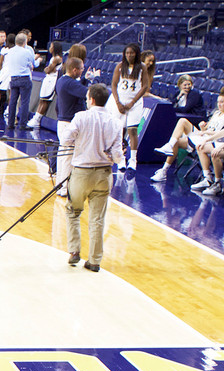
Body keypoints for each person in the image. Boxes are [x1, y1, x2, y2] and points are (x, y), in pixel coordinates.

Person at [63, 83, 125, 272]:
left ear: (91, 99)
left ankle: (74, 251)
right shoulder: (115, 122)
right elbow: (117, 155)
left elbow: (65, 139)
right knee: (97, 219)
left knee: (73, 211)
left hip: (81, 172)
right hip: (104, 174)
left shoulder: (81, 117)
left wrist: (80, 143)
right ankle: (94, 261)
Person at [151, 92, 224, 189]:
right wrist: (203, 128)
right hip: (203, 137)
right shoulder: (216, 113)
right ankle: (164, 170)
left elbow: (220, 134)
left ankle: (208, 178)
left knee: (196, 143)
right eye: (218, 102)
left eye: (222, 102)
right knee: (181, 126)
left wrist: (207, 134)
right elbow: (207, 129)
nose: (219, 104)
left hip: (213, 141)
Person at [111, 43, 151, 174]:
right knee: (119, 131)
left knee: (133, 130)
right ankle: (121, 158)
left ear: (136, 54)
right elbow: (114, 85)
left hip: (135, 103)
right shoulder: (119, 66)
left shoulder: (142, 68)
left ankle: (133, 159)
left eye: (132, 53)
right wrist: (117, 103)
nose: (129, 55)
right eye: (127, 53)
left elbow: (145, 86)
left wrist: (133, 102)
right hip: (121, 102)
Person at [54, 57, 91, 195]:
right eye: (81, 69)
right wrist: (93, 80)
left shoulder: (62, 80)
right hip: (69, 124)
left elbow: (77, 88)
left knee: (63, 155)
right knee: (68, 157)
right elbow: (88, 93)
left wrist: (84, 80)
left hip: (63, 123)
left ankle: (61, 185)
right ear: (74, 70)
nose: (82, 71)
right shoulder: (69, 83)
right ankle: (65, 188)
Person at [28, 41, 63, 128]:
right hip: (48, 79)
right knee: (42, 99)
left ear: (55, 48)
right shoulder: (54, 58)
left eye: (51, 46)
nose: (49, 48)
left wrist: (48, 68)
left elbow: (47, 70)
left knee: (45, 100)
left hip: (52, 80)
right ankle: (36, 117)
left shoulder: (57, 59)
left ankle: (38, 119)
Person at [4, 32, 35, 128]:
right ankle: (23, 124)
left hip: (13, 78)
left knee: (12, 101)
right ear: (25, 42)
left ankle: (10, 123)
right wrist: (38, 60)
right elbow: (34, 64)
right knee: (25, 101)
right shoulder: (27, 52)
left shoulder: (9, 51)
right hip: (24, 78)